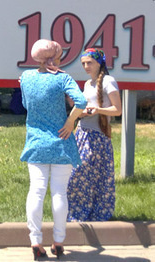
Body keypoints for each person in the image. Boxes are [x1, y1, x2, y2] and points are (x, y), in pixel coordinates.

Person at [19, 39, 86, 260]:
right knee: (59, 193)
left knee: (36, 191)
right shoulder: (63, 78)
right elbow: (82, 101)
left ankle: (35, 241)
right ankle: (58, 242)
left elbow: (27, 106)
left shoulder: (26, 78)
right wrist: (70, 122)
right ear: (55, 57)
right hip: (61, 142)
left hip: (36, 143)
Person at [67, 48, 122, 222]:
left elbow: (117, 110)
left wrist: (98, 110)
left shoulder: (108, 81)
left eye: (89, 62)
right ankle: (77, 213)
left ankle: (98, 214)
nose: (86, 66)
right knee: (76, 174)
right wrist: (80, 112)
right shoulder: (87, 84)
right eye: (83, 63)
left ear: (99, 63)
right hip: (82, 133)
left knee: (97, 176)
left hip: (98, 136)